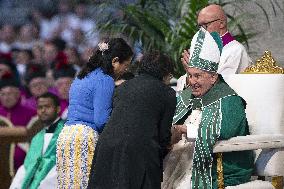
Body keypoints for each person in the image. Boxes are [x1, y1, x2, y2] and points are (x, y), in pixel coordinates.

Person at [162, 28, 254, 189]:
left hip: (218, 164)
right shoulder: (188, 94)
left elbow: (225, 131)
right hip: (181, 157)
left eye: (197, 76)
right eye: (190, 75)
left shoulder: (229, 100)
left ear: (213, 77)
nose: (192, 81)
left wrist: (184, 130)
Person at [87, 51, 177, 189]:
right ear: (165, 73)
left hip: (106, 149)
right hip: (139, 154)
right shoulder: (167, 93)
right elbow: (163, 135)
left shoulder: (122, 87)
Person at [56, 38, 133, 188]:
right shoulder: (105, 80)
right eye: (126, 65)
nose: (125, 70)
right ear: (115, 61)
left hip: (66, 136)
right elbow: (101, 120)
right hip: (84, 138)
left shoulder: (83, 75)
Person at [177, 4, 252, 91]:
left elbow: (222, 86)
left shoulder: (235, 51)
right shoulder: (202, 50)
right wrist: (189, 73)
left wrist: (194, 71)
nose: (202, 31)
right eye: (199, 26)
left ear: (221, 23)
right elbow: (182, 84)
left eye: (205, 25)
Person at [10, 92, 64, 189]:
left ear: (58, 109)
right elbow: (27, 166)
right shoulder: (37, 138)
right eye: (40, 107)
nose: (43, 110)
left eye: (47, 106)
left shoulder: (67, 132)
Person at [0, 73, 36, 171]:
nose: (6, 97)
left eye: (10, 93)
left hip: (24, 165)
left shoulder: (31, 114)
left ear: (18, 94)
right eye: (3, 94)